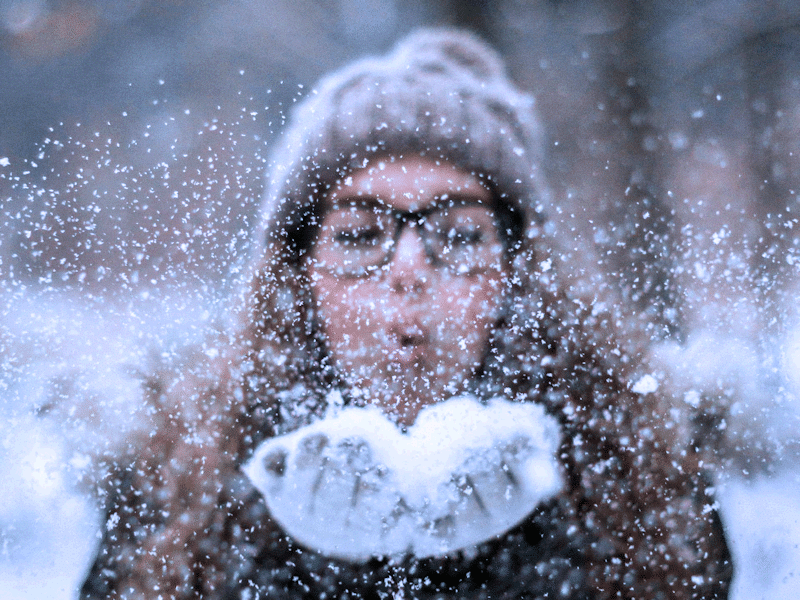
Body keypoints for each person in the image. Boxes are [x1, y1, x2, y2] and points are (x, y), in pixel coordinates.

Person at [80, 28, 732, 599]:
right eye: (362, 233)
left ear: (517, 272)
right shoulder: (171, 490)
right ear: (298, 274)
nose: (410, 268)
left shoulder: (643, 479)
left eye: (459, 233)